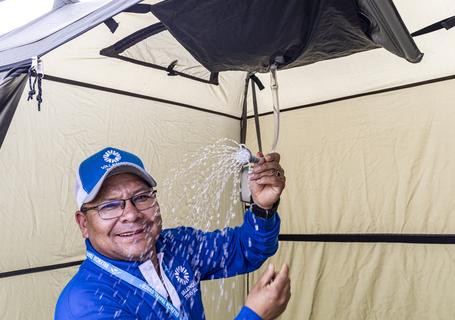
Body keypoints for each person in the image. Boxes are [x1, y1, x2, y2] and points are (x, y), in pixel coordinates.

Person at [55, 146, 287, 319]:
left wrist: (262, 207)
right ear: (84, 223)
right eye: (109, 205)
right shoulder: (85, 305)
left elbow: (246, 248)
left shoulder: (177, 245)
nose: (131, 214)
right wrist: (254, 315)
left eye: (141, 197)